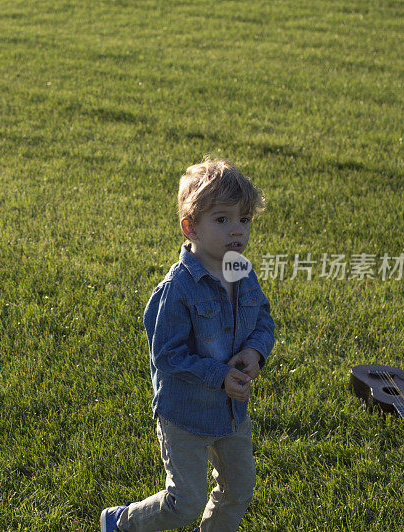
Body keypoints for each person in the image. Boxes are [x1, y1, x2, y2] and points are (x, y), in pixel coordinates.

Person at [101, 158, 275, 532]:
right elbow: (167, 355)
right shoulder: (176, 290)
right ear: (190, 227)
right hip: (185, 416)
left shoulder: (241, 270)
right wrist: (219, 376)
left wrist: (254, 351)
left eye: (244, 220)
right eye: (222, 219)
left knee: (240, 487)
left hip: (230, 414)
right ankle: (120, 523)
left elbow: (262, 318)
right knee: (186, 502)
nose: (237, 231)